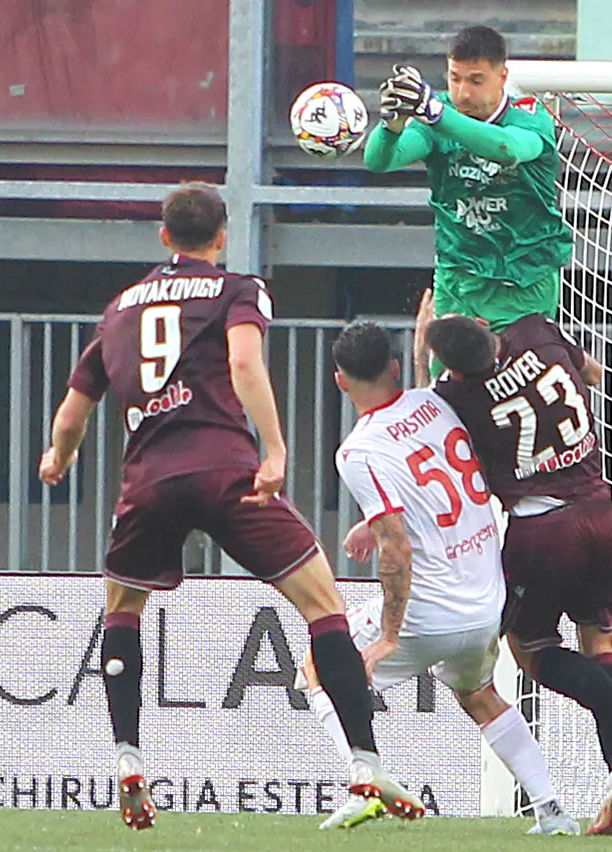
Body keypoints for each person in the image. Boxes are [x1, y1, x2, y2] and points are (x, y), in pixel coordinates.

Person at [37, 183, 420, 830]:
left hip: (149, 482)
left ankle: (129, 757)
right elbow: (244, 362)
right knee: (322, 606)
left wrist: (58, 458)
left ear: (164, 236)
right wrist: (275, 450)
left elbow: (74, 414)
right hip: (226, 473)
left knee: (123, 610)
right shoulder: (238, 289)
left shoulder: (119, 310)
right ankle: (364, 764)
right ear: (222, 235)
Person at [303, 320, 580, 834]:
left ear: (340, 381)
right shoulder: (437, 403)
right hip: (486, 603)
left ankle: (365, 776)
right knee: (480, 695)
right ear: (393, 367)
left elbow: (396, 548)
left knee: (319, 666)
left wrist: (390, 636)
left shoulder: (358, 452)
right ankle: (551, 810)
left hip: (430, 615)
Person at [417, 294, 612, 836]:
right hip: (601, 513)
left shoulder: (457, 395)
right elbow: (594, 373)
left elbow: (428, 424)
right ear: (487, 326)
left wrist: (424, 348)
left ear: (455, 368)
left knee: (532, 652)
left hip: (541, 532)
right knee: (599, 644)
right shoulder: (537, 329)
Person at [365, 25, 573, 375]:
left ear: (502, 76)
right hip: (459, 278)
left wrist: (436, 115)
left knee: (514, 387)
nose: (462, 92)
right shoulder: (436, 115)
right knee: (450, 389)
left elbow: (506, 149)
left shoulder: (529, 116)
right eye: (455, 78)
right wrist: (392, 125)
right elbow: (379, 161)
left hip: (522, 281)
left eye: (476, 80)